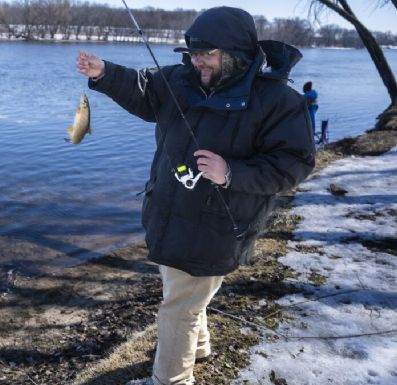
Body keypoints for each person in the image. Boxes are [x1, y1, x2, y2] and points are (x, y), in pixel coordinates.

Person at [75, 6, 315, 385]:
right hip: (168, 211)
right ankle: (199, 347)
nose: (197, 61)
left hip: (219, 225)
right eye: (193, 54)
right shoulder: (181, 80)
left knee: (179, 307)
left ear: (235, 55)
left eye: (208, 54)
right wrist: (104, 73)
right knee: (183, 293)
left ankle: (171, 379)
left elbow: (294, 164)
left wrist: (231, 172)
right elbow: (144, 90)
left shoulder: (278, 101)